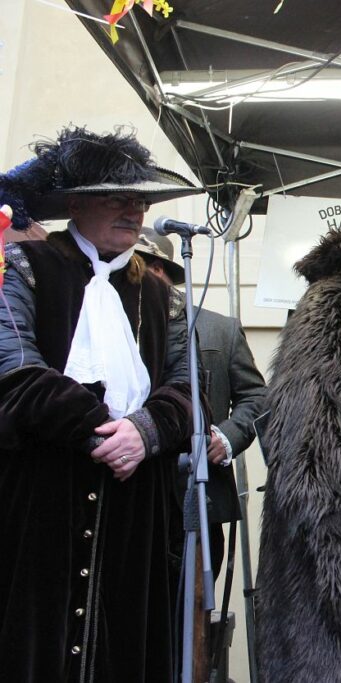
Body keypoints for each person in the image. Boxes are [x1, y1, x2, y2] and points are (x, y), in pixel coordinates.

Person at [0, 126, 201, 682]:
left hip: (134, 512)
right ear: (75, 204)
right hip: (42, 501)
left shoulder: (162, 294)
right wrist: (101, 432)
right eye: (117, 198)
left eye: (140, 200)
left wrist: (145, 431)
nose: (134, 211)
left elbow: (189, 388)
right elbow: (13, 366)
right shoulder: (24, 267)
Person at [135, 227, 267, 580]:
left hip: (199, 499)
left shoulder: (220, 329)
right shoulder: (108, 324)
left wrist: (226, 438)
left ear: (157, 270)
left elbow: (257, 397)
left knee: (193, 608)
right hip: (130, 499)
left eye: (133, 266)